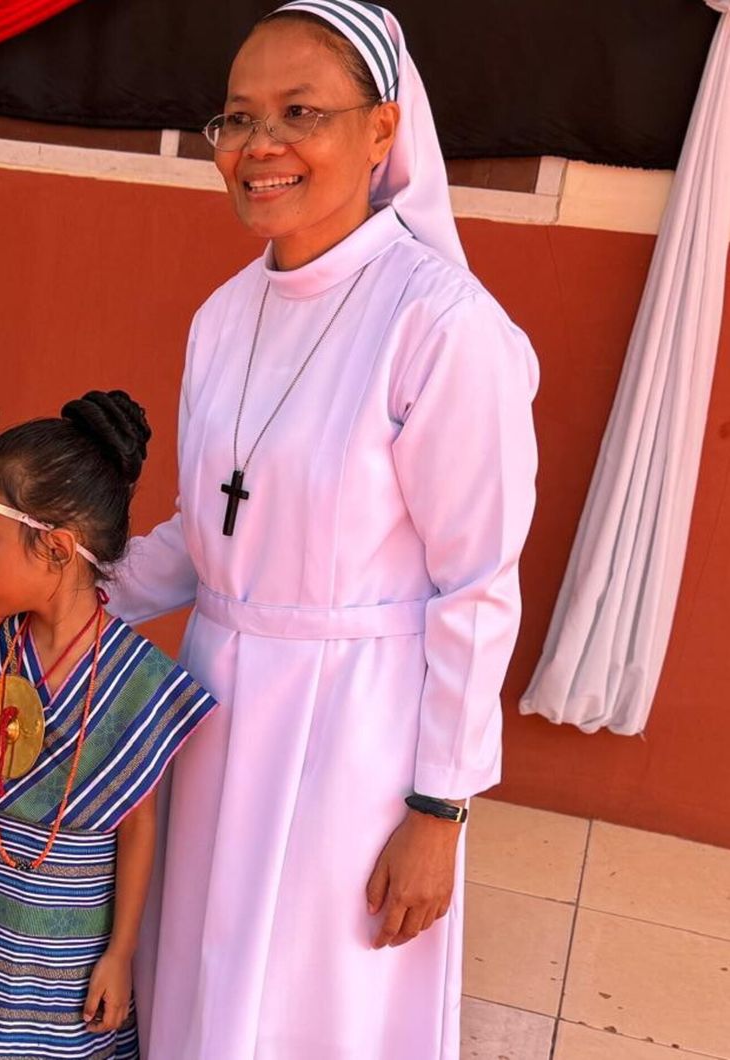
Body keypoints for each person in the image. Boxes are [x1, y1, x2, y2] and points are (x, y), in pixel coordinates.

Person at [109, 4, 540, 1057]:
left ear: (383, 131)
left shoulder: (442, 325)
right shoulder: (221, 315)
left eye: (301, 112)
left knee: (318, 1001)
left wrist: (440, 807)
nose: (260, 147)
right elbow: (209, 531)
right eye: (238, 119)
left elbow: (477, 582)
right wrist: (76, 591)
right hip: (213, 704)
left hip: (359, 732)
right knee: (206, 973)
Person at [0, 393, 217, 1059]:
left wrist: (121, 953)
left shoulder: (136, 682)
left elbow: (138, 827)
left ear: (59, 548)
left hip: (68, 955)